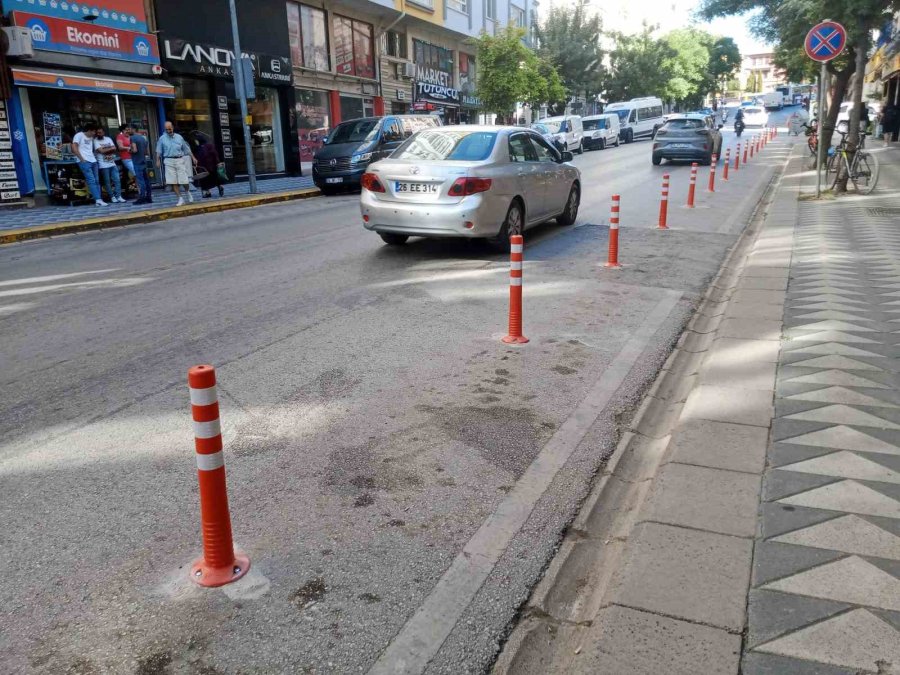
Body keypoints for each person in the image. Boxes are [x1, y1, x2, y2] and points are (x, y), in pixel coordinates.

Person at [156, 121, 197, 206]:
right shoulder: (162, 138)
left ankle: (188, 192)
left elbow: (186, 149)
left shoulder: (179, 137)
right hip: (168, 160)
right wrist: (158, 160)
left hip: (179, 160)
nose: (168, 131)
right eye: (166, 129)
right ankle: (180, 198)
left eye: (169, 129)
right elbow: (158, 150)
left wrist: (193, 157)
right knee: (173, 181)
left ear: (173, 127)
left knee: (184, 180)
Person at [71, 122, 106, 207]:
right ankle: (98, 199)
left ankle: (99, 199)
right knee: (91, 180)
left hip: (93, 160)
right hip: (84, 161)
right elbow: (74, 147)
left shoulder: (91, 138)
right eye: (94, 132)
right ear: (90, 130)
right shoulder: (79, 135)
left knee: (97, 180)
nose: (95, 134)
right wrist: (81, 159)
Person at [94, 128, 125, 203]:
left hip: (112, 163)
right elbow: (101, 151)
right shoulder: (95, 140)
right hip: (103, 165)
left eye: (100, 132)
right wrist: (109, 149)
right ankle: (112, 197)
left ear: (103, 132)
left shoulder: (108, 139)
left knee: (117, 180)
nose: (99, 134)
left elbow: (114, 148)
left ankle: (118, 196)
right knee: (107, 182)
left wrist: (106, 150)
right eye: (97, 133)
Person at [192, 132, 226, 198]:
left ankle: (208, 192)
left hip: (204, 167)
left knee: (205, 180)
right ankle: (219, 187)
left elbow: (198, 157)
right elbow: (215, 154)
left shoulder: (199, 147)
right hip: (211, 165)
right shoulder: (209, 145)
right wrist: (218, 162)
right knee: (215, 178)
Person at [129, 127, 153, 205]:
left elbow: (134, 150)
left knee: (140, 181)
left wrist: (130, 150)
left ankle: (142, 198)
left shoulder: (132, 138)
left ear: (133, 129)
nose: (129, 130)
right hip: (143, 161)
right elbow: (147, 152)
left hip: (137, 161)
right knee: (146, 180)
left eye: (130, 129)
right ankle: (149, 197)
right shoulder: (143, 139)